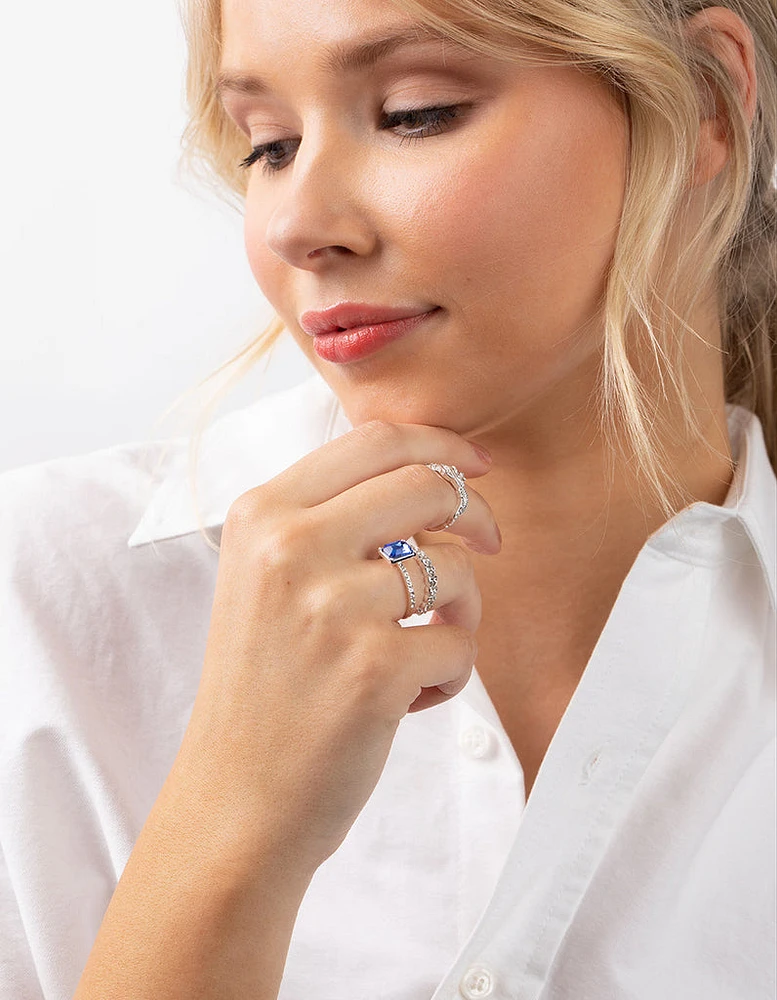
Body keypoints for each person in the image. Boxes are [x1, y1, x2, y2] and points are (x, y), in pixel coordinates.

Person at [0, 0, 774, 996]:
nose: (295, 225)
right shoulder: (41, 609)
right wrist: (231, 821)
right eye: (270, 146)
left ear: (708, 103)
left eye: (414, 112)